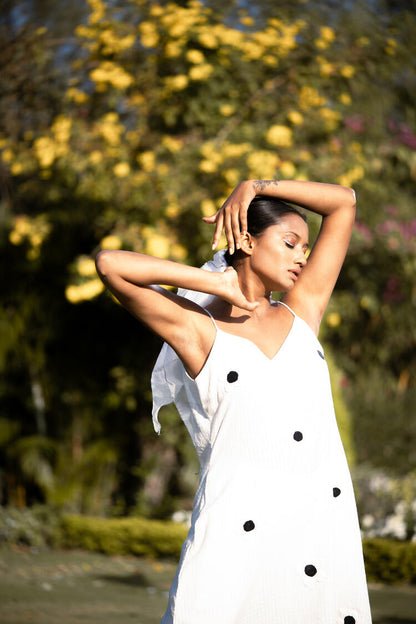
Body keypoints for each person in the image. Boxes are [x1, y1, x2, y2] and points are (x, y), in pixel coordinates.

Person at [96, 179, 372, 624]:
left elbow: (344, 203)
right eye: (290, 243)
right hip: (234, 532)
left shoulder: (303, 311)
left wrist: (258, 185)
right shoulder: (198, 330)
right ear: (246, 240)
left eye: (305, 246)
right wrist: (213, 283)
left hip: (316, 528)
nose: (303, 255)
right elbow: (111, 265)